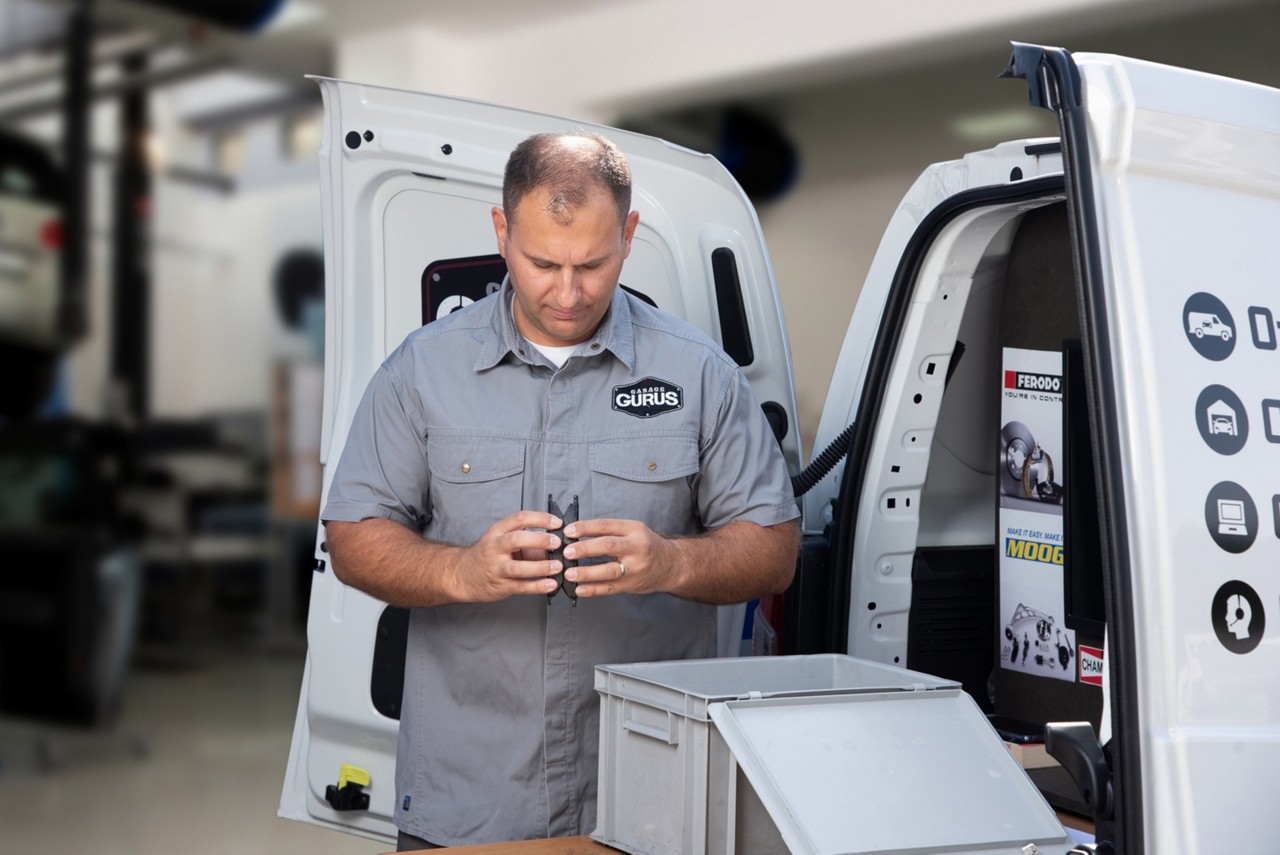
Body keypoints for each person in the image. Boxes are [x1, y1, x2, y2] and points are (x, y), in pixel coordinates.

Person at [321, 129, 800, 849]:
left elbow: (774, 551)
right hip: (468, 800)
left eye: (594, 264)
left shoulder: (701, 374)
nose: (568, 292)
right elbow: (353, 539)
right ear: (501, 230)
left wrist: (674, 562)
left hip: (650, 797)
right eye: (544, 262)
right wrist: (460, 567)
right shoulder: (420, 372)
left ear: (629, 235)